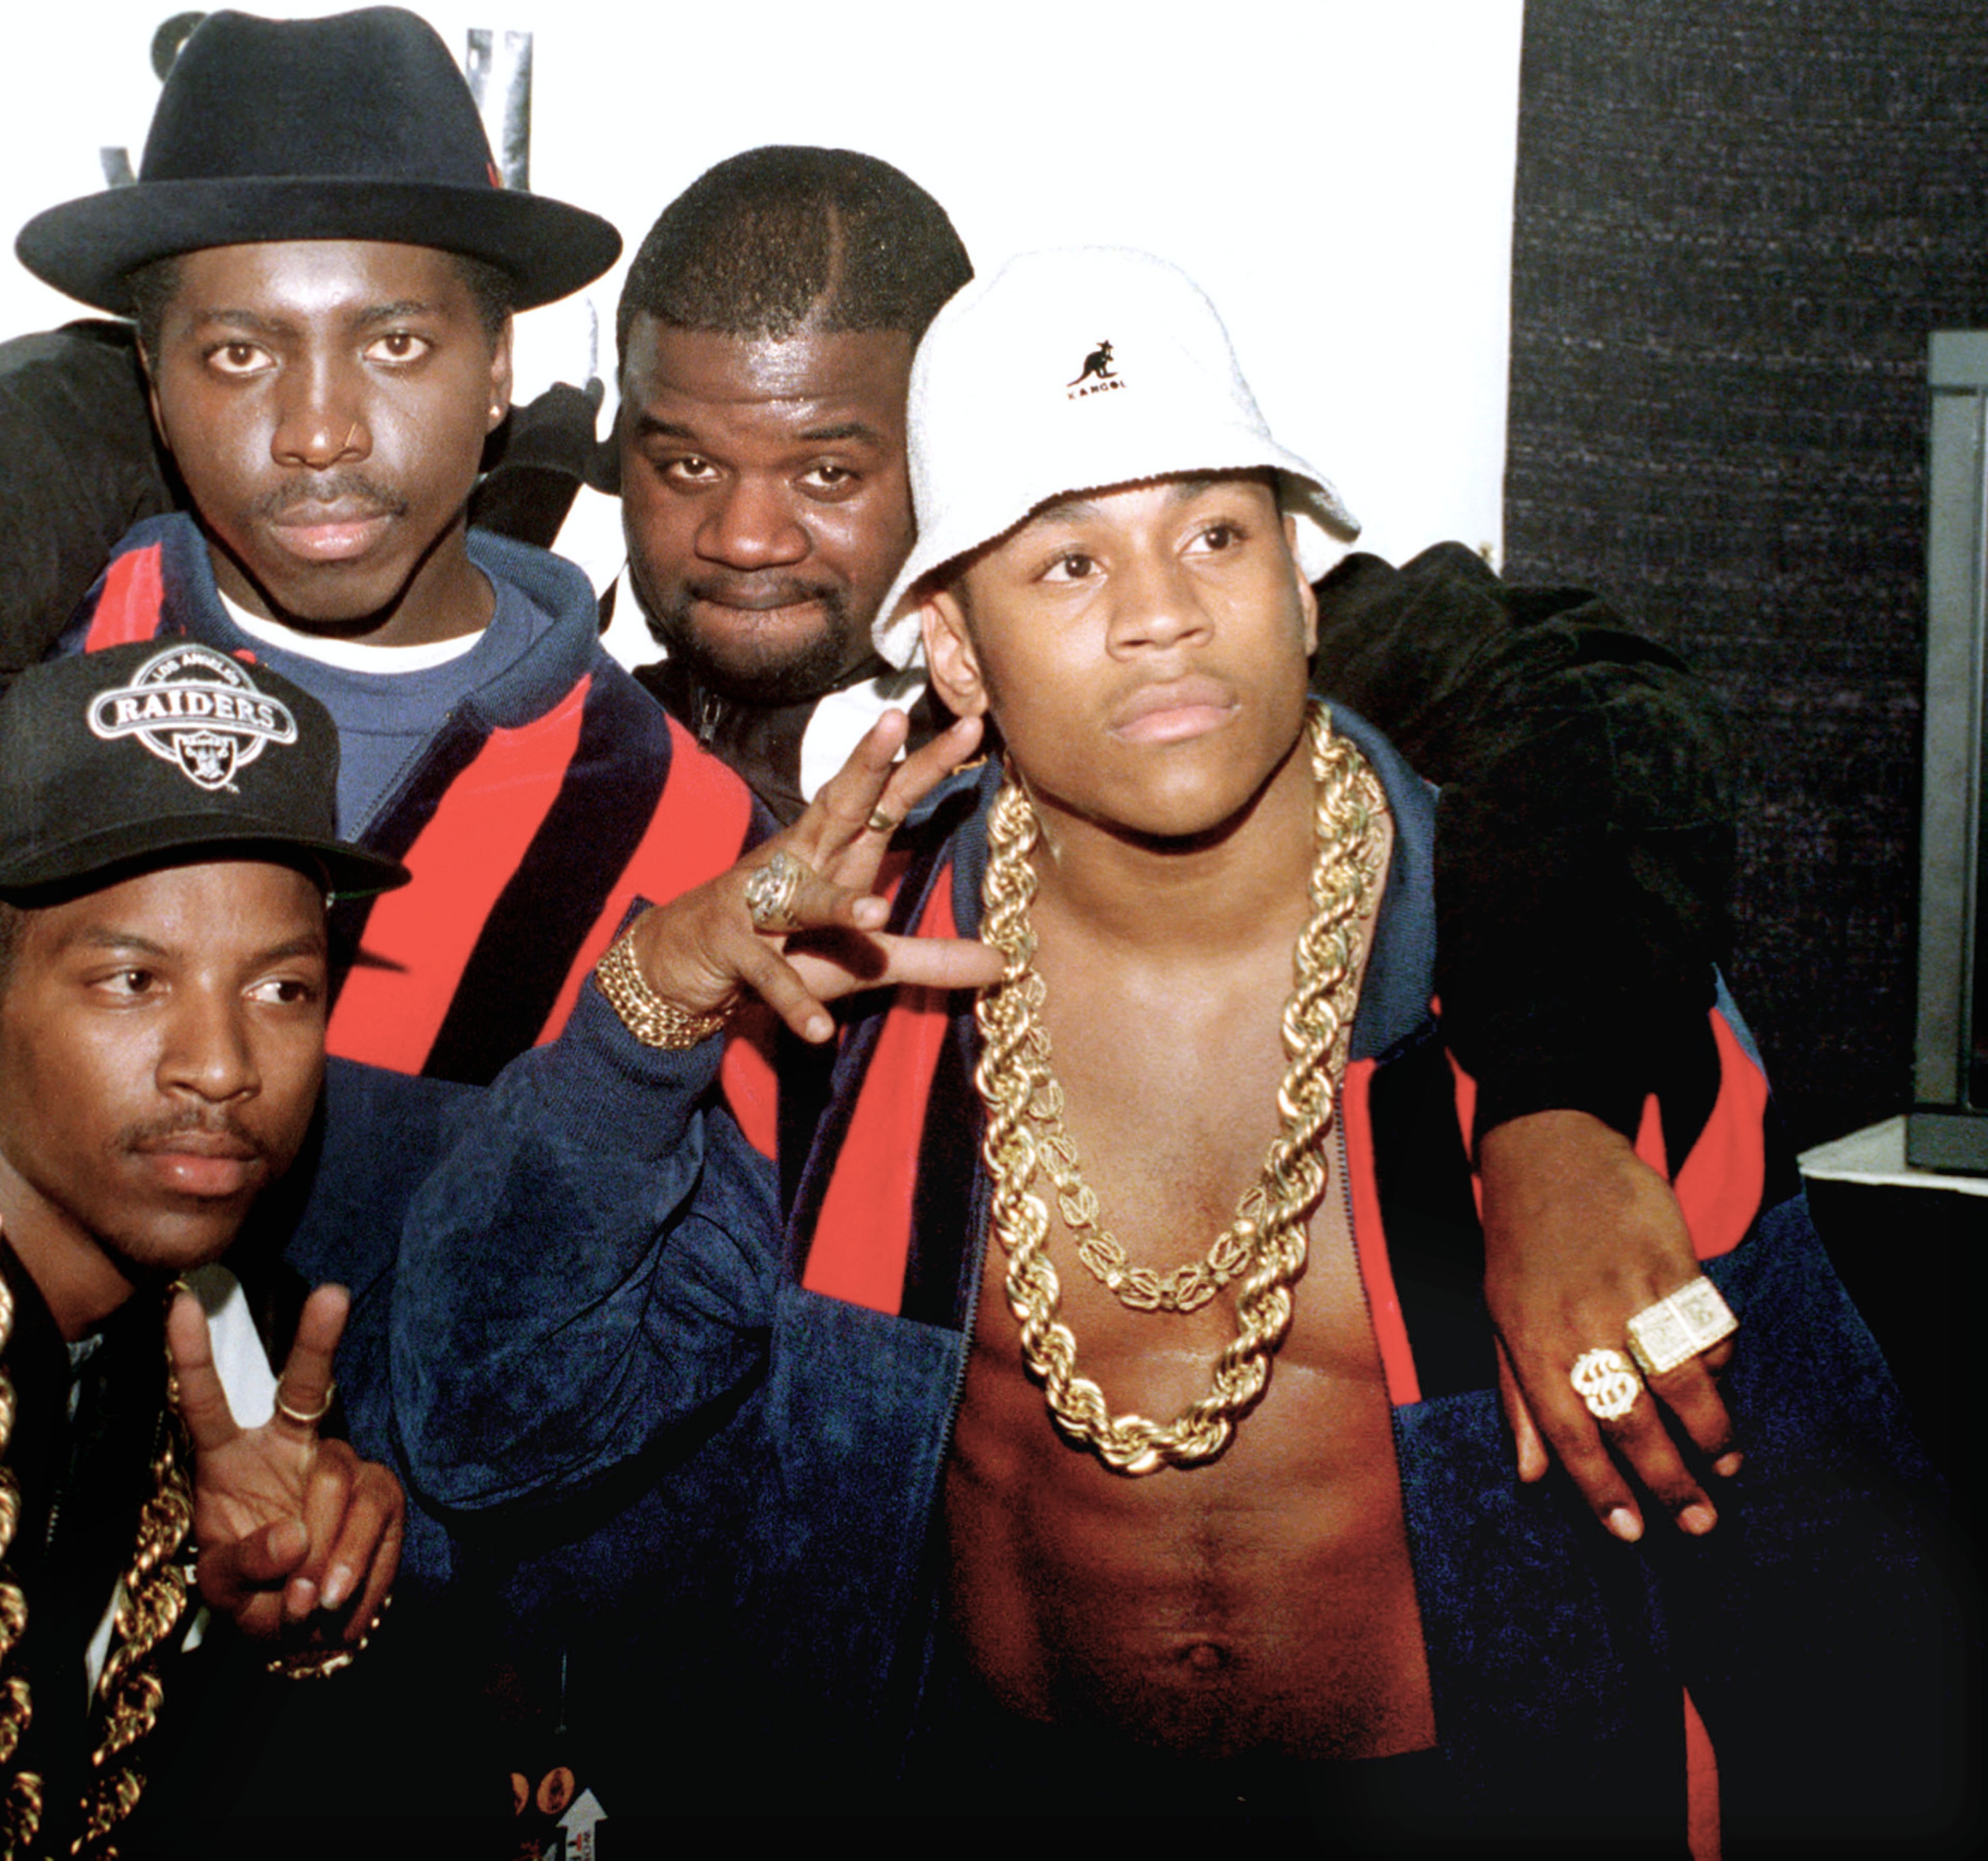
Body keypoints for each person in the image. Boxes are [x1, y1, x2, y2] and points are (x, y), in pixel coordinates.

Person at [391, 250, 1961, 1845]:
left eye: (1213, 533)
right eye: (1067, 566)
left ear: (1297, 583)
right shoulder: (840, 1013)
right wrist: (645, 1006)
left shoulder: (1563, 1000)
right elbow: (501, 1423)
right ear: (953, 650)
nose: (1161, 616)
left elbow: (1847, 1615)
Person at [12, 6, 761, 1092]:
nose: (321, 429)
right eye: (236, 354)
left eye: (396, 343)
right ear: (155, 392)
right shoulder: (47, 672)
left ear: (499, 365)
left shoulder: (677, 830)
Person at [0, 642, 408, 1853]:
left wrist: (282, 1643)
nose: (223, 1067)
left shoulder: (249, 1355)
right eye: (133, 980)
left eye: (284, 990)